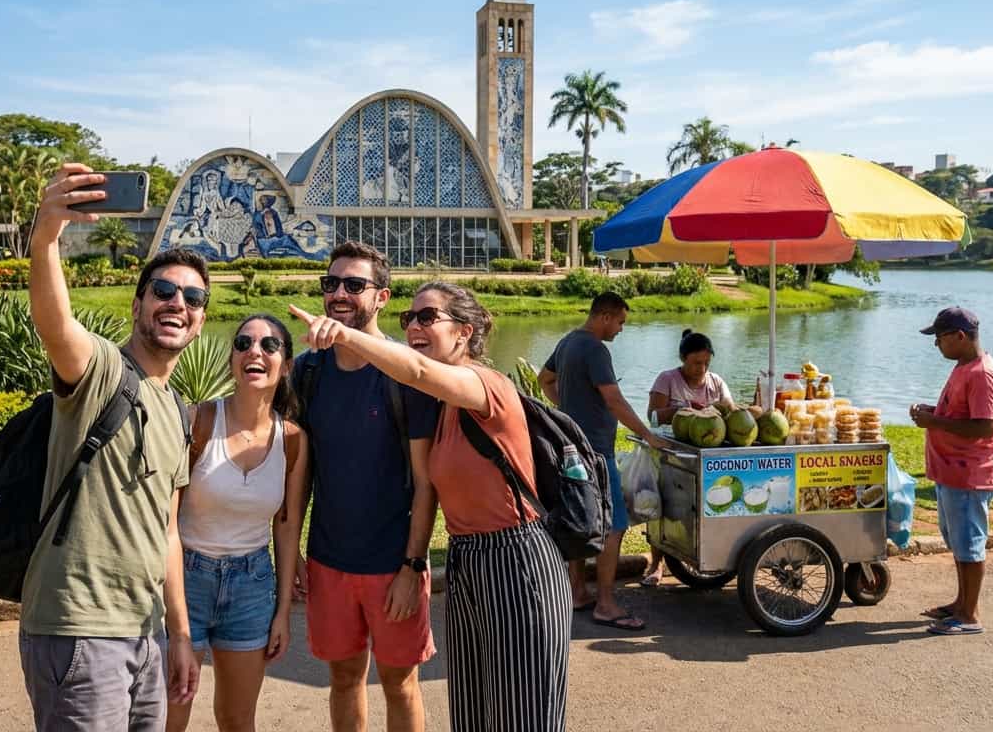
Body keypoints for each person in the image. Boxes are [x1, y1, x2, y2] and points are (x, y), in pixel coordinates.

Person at [290, 281, 572, 731]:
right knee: (474, 713)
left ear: (464, 331)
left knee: (522, 715)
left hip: (516, 558)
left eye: (427, 317)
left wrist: (344, 334)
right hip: (466, 558)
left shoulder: (484, 385)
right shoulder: (441, 406)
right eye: (409, 318)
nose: (414, 326)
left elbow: (416, 370)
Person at [21, 162, 205, 730]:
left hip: (145, 630)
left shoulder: (177, 409)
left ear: (200, 320)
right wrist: (47, 235)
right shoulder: (101, 369)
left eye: (193, 297)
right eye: (165, 290)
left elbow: (167, 530)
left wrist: (178, 633)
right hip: (79, 626)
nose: (178, 303)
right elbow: (56, 324)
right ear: (138, 302)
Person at [292, 241, 440, 732]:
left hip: (392, 563)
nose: (338, 294)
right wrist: (291, 552)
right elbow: (301, 473)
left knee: (399, 683)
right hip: (329, 559)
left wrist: (412, 565)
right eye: (330, 283)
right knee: (344, 679)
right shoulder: (308, 370)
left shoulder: (403, 375)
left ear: (382, 298)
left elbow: (425, 484)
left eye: (354, 285)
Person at [167, 313, 308, 732]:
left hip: (251, 585)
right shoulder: (198, 422)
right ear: (231, 360)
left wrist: (282, 612)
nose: (255, 352)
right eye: (244, 343)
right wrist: (176, 619)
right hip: (187, 576)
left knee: (236, 719)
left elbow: (286, 529)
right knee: (169, 715)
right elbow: (166, 523)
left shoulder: (294, 440)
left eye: (269, 346)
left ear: (286, 364)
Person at [539, 292, 666, 630]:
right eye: (621, 322)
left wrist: (567, 412)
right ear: (605, 317)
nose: (621, 329)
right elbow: (614, 400)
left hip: (572, 449)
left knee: (580, 519)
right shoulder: (596, 349)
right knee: (615, 525)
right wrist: (647, 434)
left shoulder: (568, 342)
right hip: (596, 452)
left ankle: (578, 591)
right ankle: (606, 604)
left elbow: (544, 379)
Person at [910, 307, 993, 636]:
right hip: (952, 472)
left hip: (969, 475)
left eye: (939, 338)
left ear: (960, 337)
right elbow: (959, 413)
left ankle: (969, 615)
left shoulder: (982, 374)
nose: (937, 345)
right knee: (959, 541)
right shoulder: (964, 367)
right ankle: (961, 602)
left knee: (970, 544)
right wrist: (933, 411)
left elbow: (984, 427)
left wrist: (934, 421)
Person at [642, 329, 735, 585]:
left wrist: (722, 410)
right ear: (683, 358)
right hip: (670, 454)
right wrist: (680, 409)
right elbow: (652, 416)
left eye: (706, 363)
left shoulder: (716, 382)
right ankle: (656, 565)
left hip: (706, 456)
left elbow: (730, 409)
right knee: (664, 507)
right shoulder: (667, 379)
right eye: (696, 363)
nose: (701, 368)